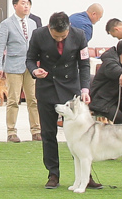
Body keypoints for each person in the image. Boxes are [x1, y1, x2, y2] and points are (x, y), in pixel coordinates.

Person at [27, 10, 89, 189]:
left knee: (81, 134)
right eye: (56, 36)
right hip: (47, 87)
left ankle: (85, 176)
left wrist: (85, 89)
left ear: (69, 28)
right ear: (49, 28)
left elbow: (84, 64)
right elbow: (30, 59)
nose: (60, 39)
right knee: (48, 133)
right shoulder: (38, 34)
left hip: (71, 89)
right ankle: (53, 174)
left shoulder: (79, 35)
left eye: (63, 36)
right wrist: (34, 71)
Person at [0, 0, 40, 144]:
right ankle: (11, 132)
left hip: (30, 66)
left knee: (33, 99)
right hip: (13, 65)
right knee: (13, 100)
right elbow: (0, 46)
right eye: (23, 3)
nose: (26, 6)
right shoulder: (6, 24)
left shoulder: (33, 23)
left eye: (28, 3)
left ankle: (36, 130)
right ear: (15, 6)